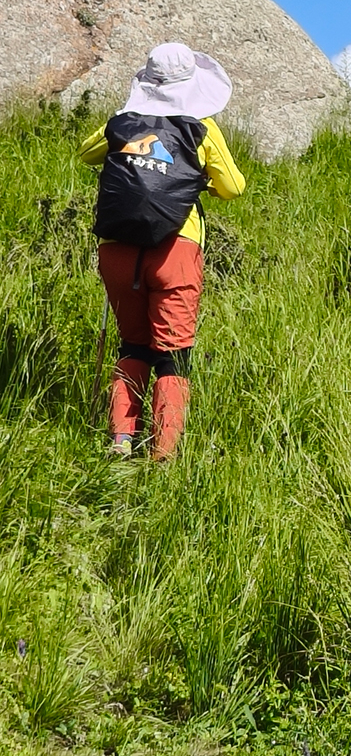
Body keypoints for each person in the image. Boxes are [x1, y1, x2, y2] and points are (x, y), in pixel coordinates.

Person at [80, 41, 245, 461]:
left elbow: (86, 154)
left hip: (117, 249)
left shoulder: (122, 122)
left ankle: (120, 443)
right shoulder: (201, 129)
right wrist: (197, 179)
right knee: (173, 352)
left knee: (132, 345)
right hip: (176, 247)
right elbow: (233, 187)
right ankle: (163, 452)